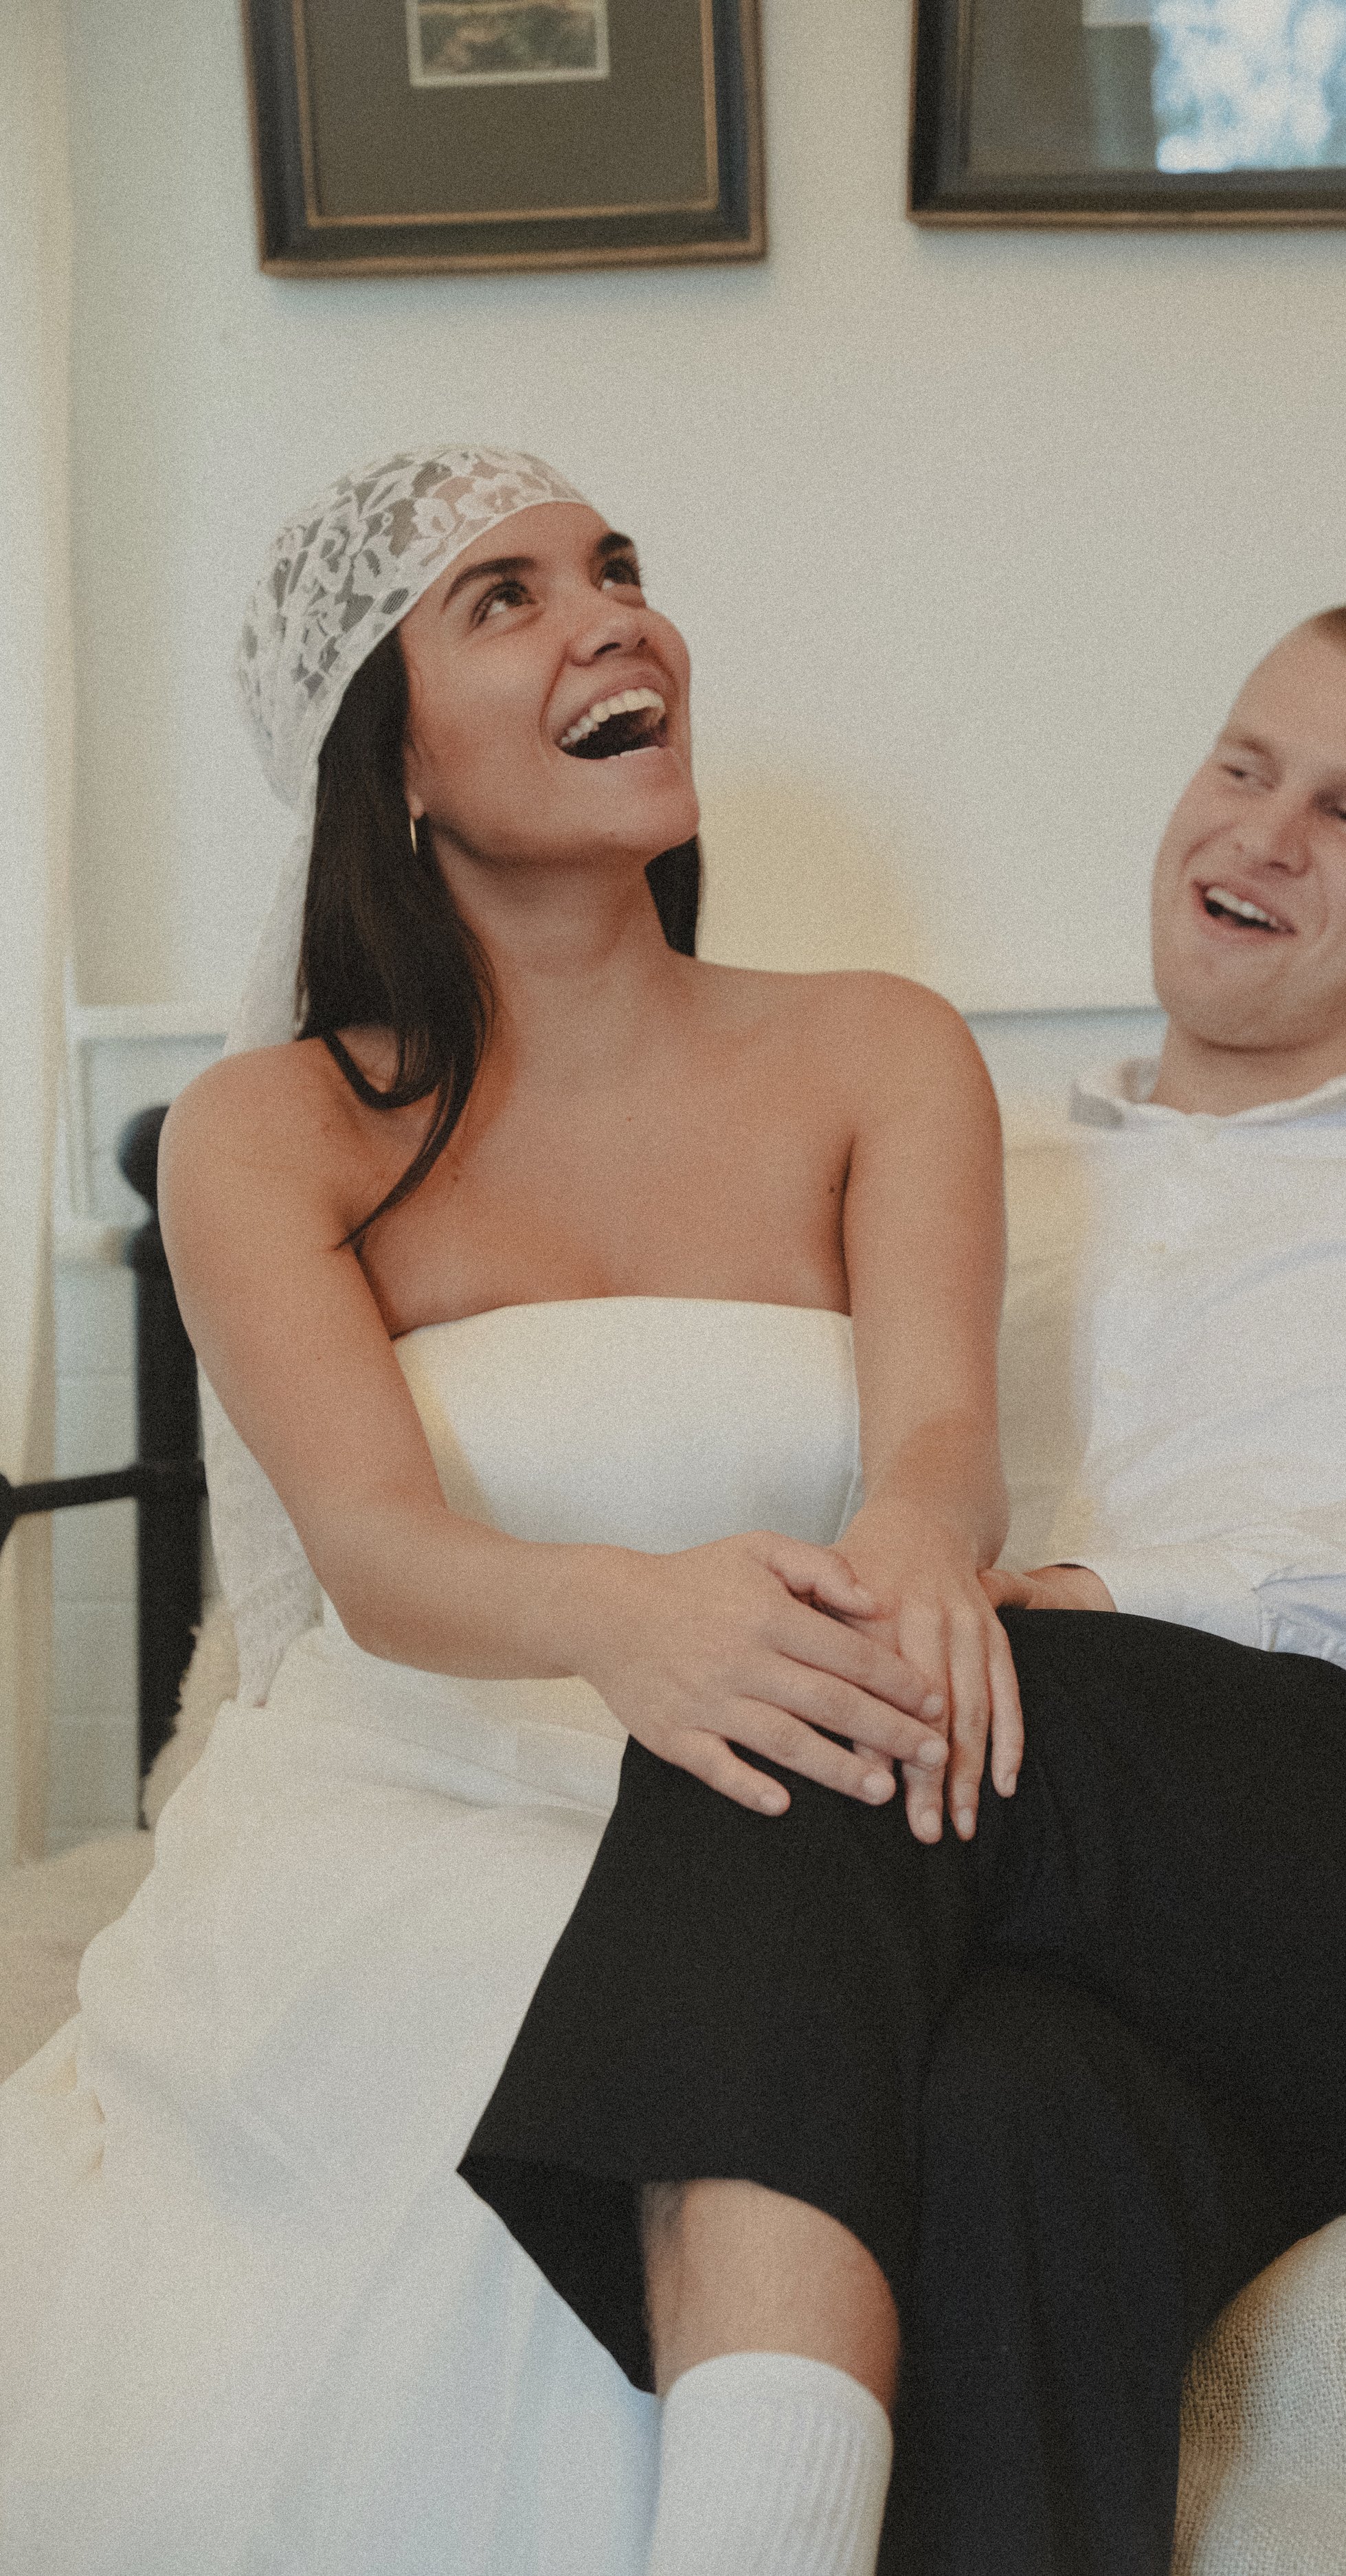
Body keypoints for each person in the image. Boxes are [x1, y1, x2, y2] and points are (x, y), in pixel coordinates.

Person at [459, 603, 1346, 2575]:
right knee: (1008, 2121)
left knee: (836, 1681)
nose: (1262, 832)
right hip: (1035, 1910)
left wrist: (1084, 1600)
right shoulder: (967, 1178)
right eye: (1239, 763)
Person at [0, 445, 1024, 2575]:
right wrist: (619, 1617)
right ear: (394, 767)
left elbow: (936, 1435)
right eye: (506, 597)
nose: (611, 617)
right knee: (564, 2058)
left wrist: (927, 1540)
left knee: (788, 2002)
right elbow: (374, 1551)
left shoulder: (878, 1050)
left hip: (778, 1797)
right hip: (418, 1796)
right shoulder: (271, 1129)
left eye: (619, 569)